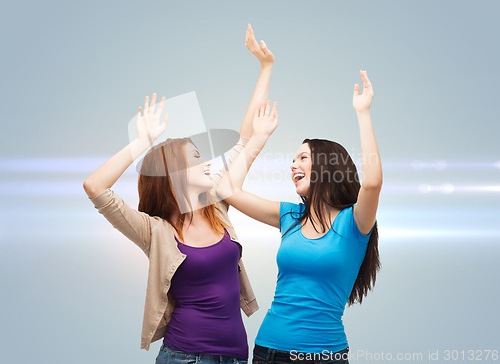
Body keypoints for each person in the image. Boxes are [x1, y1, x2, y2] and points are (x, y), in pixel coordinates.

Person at [83, 25, 275, 363]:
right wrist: (141, 143)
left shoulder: (218, 208)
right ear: (172, 175)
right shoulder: (154, 231)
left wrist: (265, 68)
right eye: (196, 159)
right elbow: (96, 187)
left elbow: (245, 140)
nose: (207, 164)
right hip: (185, 357)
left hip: (234, 356)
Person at [217, 71, 382, 364]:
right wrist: (260, 137)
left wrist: (363, 113)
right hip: (267, 350)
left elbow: (371, 183)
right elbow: (227, 189)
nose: (294, 165)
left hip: (322, 356)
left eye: (303, 157)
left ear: (328, 166)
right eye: (294, 159)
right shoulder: (290, 216)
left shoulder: (354, 222)